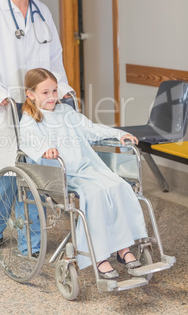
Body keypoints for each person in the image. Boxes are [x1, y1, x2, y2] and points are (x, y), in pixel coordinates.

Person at [0, 0, 73, 246]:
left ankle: (30, 243)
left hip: (37, 104)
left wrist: (63, 89)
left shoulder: (42, 11)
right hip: (9, 103)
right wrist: (0, 95)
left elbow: (55, 57)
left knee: (32, 173)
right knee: (7, 174)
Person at [19, 68, 148, 279]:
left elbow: (92, 129)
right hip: (61, 175)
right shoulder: (29, 119)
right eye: (45, 93)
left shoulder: (66, 113)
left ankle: (123, 248)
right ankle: (98, 256)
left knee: (118, 186)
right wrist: (45, 149)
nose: (52, 96)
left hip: (86, 168)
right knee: (95, 194)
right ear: (30, 94)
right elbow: (30, 140)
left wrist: (118, 134)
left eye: (54, 91)